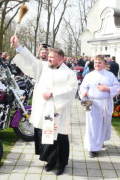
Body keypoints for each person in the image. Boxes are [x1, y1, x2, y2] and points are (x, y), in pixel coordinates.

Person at [11, 35, 78, 176]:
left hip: (59, 112)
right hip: (45, 110)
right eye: (48, 56)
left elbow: (72, 91)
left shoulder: (69, 74)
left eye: (52, 57)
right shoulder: (44, 67)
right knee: (47, 137)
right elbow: (30, 60)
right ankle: (51, 161)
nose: (49, 58)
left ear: (60, 59)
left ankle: (61, 164)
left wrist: (53, 93)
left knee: (59, 139)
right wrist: (18, 46)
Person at [79, 55, 120, 158]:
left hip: (105, 103)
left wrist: (107, 89)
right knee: (92, 125)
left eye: (99, 62)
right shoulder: (89, 75)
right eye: (95, 63)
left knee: (104, 124)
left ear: (104, 63)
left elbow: (117, 87)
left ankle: (100, 141)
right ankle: (92, 148)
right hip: (92, 103)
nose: (97, 64)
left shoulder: (110, 75)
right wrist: (84, 92)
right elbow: (83, 87)